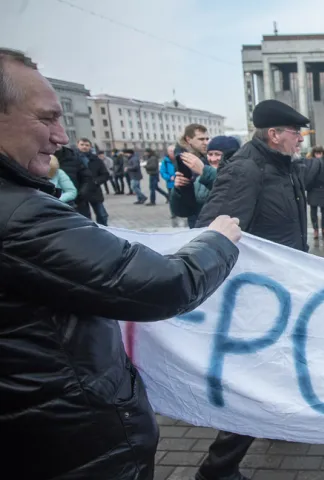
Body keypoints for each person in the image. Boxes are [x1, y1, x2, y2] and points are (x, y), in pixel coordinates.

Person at [0, 46, 243, 480]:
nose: (62, 137)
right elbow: (161, 285)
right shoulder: (19, 215)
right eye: (46, 118)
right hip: (69, 448)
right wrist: (218, 243)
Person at [194, 100, 324, 480]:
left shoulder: (283, 168)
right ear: (275, 134)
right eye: (296, 133)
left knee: (284, 364)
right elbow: (209, 232)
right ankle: (217, 470)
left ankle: (275, 422)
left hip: (285, 289)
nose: (300, 140)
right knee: (256, 377)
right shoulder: (246, 170)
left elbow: (323, 167)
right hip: (257, 297)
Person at [170, 135, 238, 225]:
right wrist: (181, 190)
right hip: (203, 231)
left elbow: (228, 190)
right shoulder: (200, 179)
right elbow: (184, 211)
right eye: (210, 154)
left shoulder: (240, 175)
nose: (212, 159)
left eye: (217, 154)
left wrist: (205, 172)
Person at [173, 124, 211, 224]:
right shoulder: (186, 159)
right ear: (189, 139)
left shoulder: (203, 155)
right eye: (201, 139)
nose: (206, 142)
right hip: (197, 214)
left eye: (207, 139)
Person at [76, 137, 110, 225]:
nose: (84, 147)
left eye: (87, 145)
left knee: (102, 215)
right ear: (78, 145)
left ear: (90, 147)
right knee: (84, 217)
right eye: (82, 145)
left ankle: (104, 232)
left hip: (94, 191)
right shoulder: (73, 159)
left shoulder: (96, 159)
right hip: (79, 192)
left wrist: (95, 182)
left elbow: (105, 174)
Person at [305, 145, 324, 239]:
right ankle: (316, 230)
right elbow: (307, 175)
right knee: (313, 211)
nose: (318, 155)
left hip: (323, 189)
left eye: (320, 153)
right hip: (313, 189)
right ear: (314, 153)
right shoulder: (310, 162)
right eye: (316, 153)